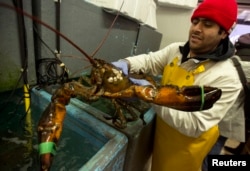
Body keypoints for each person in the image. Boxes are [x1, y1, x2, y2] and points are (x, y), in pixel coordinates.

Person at [111, 0, 245, 170]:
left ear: (224, 33)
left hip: (187, 148)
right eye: (195, 22)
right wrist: (125, 63)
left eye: (208, 24)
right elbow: (149, 61)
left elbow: (194, 125)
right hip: (163, 133)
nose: (197, 28)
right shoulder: (176, 50)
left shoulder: (227, 78)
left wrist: (148, 94)